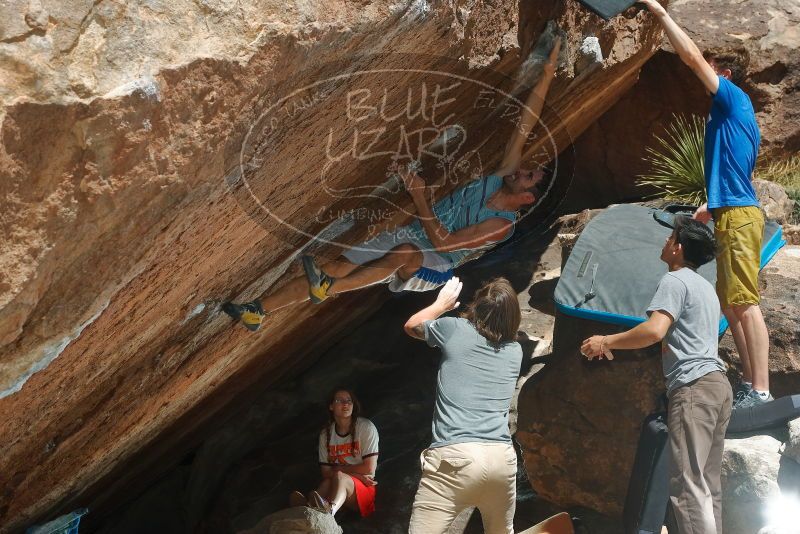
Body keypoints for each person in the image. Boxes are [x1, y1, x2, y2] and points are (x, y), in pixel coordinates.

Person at [222, 38, 562, 332]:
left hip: (433, 265)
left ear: (528, 196)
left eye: (529, 176)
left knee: (403, 254)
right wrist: (546, 75)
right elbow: (524, 124)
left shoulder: (501, 226)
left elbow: (444, 245)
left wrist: (419, 197)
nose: (522, 170)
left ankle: (330, 287)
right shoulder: (499, 176)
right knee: (336, 264)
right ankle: (258, 310)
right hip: (411, 233)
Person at [638, 0, 770, 409]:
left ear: (725, 73)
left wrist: (659, 13)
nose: (702, 74)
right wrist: (709, 208)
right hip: (729, 212)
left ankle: (762, 390)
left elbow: (691, 57)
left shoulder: (732, 99)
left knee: (745, 303)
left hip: (741, 217)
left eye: (712, 69)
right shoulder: (731, 114)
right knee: (731, 304)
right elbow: (732, 172)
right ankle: (750, 385)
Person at [581, 215, 732, 534]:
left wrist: (605, 341)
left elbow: (654, 330)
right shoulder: (705, 287)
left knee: (687, 485)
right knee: (708, 485)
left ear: (678, 248)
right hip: (719, 387)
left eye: (669, 238)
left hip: (694, 388)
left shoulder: (674, 281)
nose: (664, 243)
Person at [404, 276, 523, 534]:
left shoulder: (454, 329)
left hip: (454, 456)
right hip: (501, 460)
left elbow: (412, 325)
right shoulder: (515, 351)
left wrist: (441, 304)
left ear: (477, 306)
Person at [290, 388, 379, 518]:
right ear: (331, 406)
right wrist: (357, 474)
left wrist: (340, 469)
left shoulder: (366, 427)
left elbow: (369, 469)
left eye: (349, 400)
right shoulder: (325, 434)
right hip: (341, 484)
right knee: (329, 482)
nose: (345, 404)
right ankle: (308, 509)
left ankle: (329, 512)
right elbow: (326, 473)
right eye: (339, 400)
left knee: (338, 476)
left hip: (364, 491)